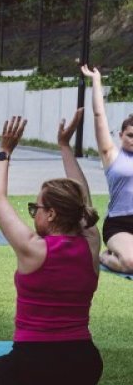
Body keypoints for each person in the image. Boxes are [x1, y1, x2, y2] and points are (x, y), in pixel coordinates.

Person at [0, 112, 112, 385]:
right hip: (86, 366)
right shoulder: (92, 245)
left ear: (51, 214)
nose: (33, 213)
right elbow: (85, 199)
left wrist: (4, 151)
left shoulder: (32, 248)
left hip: (33, 365)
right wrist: (65, 146)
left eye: (36, 208)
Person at [81, 65, 133, 273]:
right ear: (120, 135)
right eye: (130, 135)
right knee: (130, 264)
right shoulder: (112, 155)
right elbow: (98, 115)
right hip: (120, 224)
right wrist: (96, 80)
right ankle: (105, 256)